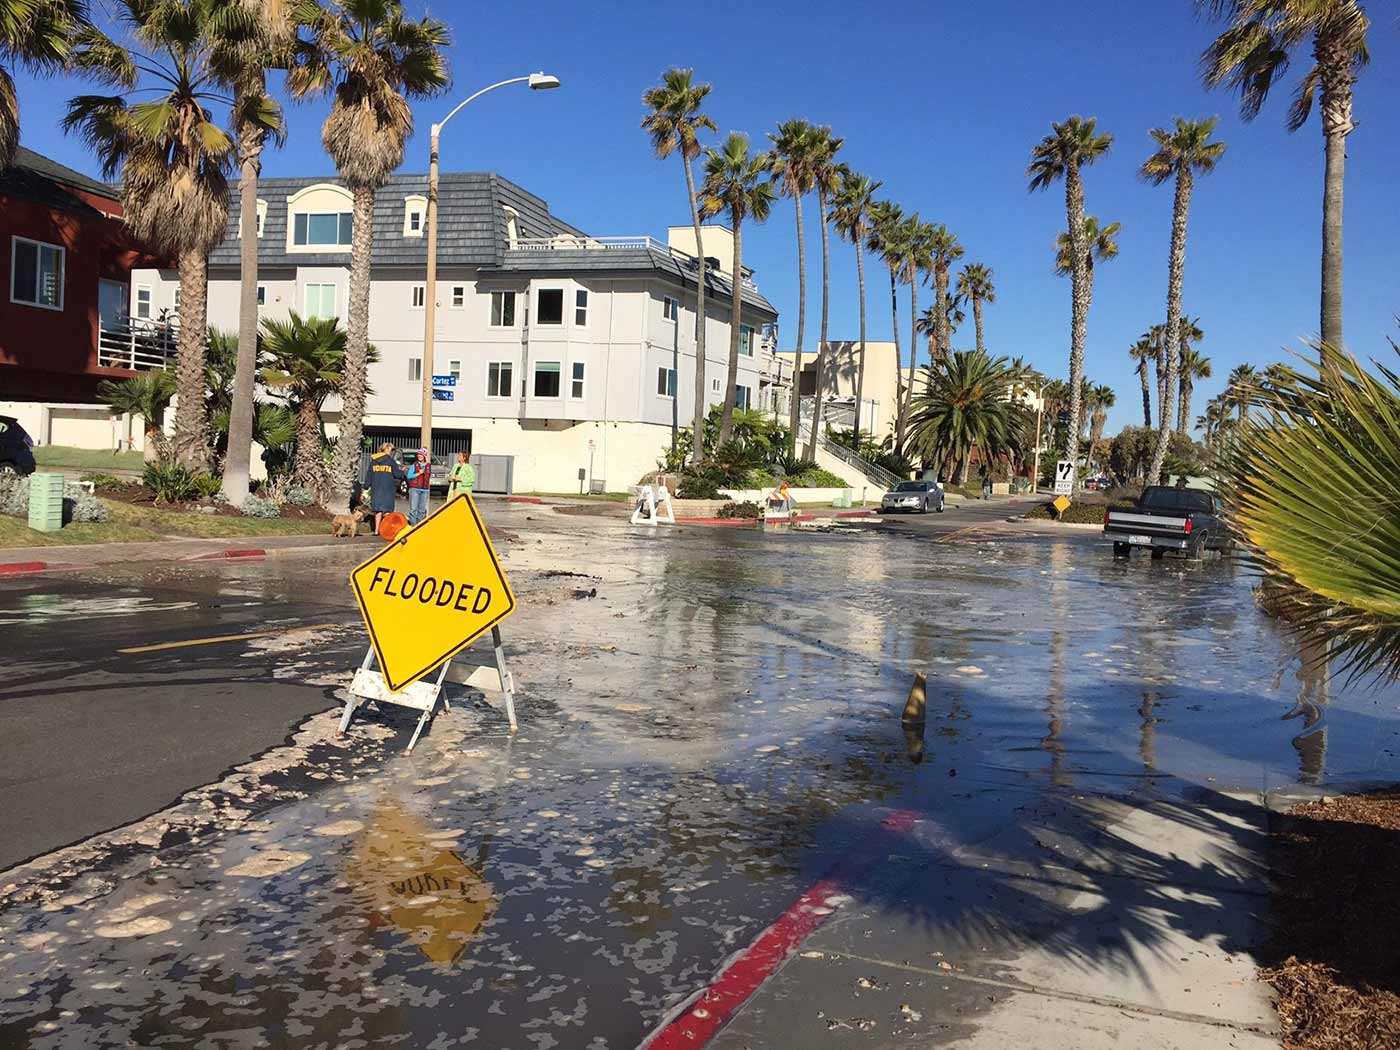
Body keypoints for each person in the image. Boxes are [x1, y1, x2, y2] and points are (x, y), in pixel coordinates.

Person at [363, 442, 405, 536]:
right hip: (388, 489)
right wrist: (402, 472)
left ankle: (376, 530)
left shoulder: (374, 461)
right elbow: (397, 474)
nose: (392, 453)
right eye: (391, 450)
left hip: (376, 488)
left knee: (377, 510)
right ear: (387, 450)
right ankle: (387, 530)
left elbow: (369, 475)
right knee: (387, 510)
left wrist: (366, 487)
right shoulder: (390, 462)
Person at [406, 447, 432, 525]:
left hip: (425, 490)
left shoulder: (428, 465)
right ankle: (413, 526)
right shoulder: (414, 465)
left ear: (425, 455)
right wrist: (418, 473)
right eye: (419, 454)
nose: (419, 456)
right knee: (413, 509)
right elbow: (409, 476)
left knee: (422, 510)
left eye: (421, 454)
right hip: (415, 489)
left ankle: (420, 526)